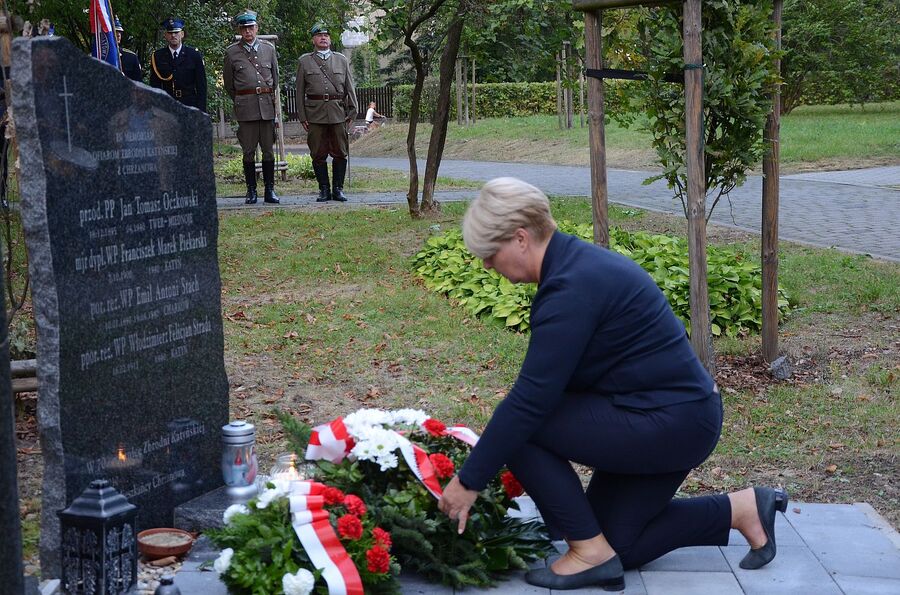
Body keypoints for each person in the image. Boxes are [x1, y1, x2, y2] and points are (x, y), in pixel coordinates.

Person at [438, 177, 789, 591]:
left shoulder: (571, 287)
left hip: (671, 422)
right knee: (616, 543)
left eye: (488, 254)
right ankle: (742, 509)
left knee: (524, 429)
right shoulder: (573, 267)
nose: (486, 266)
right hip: (673, 416)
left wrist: (467, 481)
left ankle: (587, 552)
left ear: (519, 239)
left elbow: (531, 402)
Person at [296, 22, 358, 202]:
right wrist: (302, 116)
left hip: (338, 113)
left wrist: (352, 111)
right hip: (315, 114)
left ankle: (338, 189)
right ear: (313, 39)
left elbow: (349, 87)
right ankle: (324, 189)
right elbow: (299, 91)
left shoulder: (341, 59)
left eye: (326, 35)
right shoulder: (304, 61)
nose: (323, 38)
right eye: (319, 35)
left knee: (340, 151)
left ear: (330, 39)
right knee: (318, 152)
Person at [223, 10, 280, 205]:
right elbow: (229, 85)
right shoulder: (232, 52)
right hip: (246, 108)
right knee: (248, 150)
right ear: (240, 30)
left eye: (251, 27)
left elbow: (275, 79)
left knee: (268, 150)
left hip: (266, 107)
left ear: (257, 28)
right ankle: (251, 190)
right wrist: (243, 98)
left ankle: (270, 190)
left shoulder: (269, 49)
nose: (248, 31)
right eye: (244, 28)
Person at [149, 18, 207, 113]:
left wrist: (201, 112)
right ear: (165, 36)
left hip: (189, 105)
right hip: (167, 106)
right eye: (170, 33)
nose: (173, 35)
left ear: (182, 34)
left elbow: (201, 86)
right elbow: (155, 85)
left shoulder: (193, 55)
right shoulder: (158, 56)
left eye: (176, 32)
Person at [114, 18, 142, 82]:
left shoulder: (131, 57)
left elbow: (138, 83)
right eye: (115, 31)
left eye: (119, 32)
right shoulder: (99, 56)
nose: (118, 35)